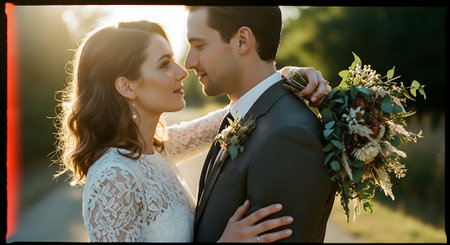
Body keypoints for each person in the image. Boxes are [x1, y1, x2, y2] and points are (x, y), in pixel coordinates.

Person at [54, 20, 328, 242]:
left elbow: (243, 107)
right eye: (164, 64)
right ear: (127, 86)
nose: (182, 71)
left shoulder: (158, 147)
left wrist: (284, 76)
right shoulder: (113, 177)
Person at [185, 6, 337, 242]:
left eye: (199, 45)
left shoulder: (289, 136)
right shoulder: (243, 114)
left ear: (243, 41)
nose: (189, 62)